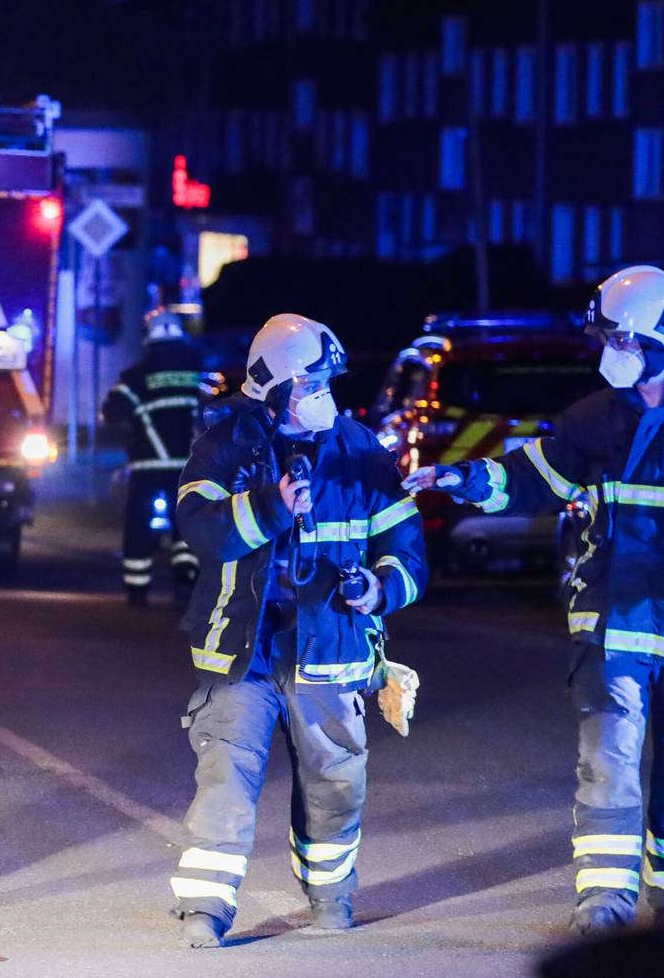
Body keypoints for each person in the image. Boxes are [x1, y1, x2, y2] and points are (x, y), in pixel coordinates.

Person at [405, 265, 664, 935]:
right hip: (614, 626)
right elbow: (532, 478)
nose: (606, 350)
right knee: (607, 762)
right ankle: (605, 901)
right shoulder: (596, 418)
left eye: (619, 339)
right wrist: (463, 478)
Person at [168, 314, 427, 948]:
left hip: (330, 644)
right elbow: (198, 525)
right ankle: (206, 908)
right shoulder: (225, 445)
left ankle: (331, 896)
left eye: (326, 382)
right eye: (311, 384)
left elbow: (406, 544)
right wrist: (272, 506)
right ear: (276, 388)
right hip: (242, 649)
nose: (324, 396)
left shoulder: (359, 448)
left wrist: (381, 588)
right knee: (226, 776)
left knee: (335, 780)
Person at [102, 306, 218, 605]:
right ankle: (185, 583)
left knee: (139, 524)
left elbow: (112, 412)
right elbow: (216, 410)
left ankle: (137, 589)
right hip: (189, 466)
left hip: (147, 464)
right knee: (187, 524)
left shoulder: (137, 375)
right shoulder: (198, 370)